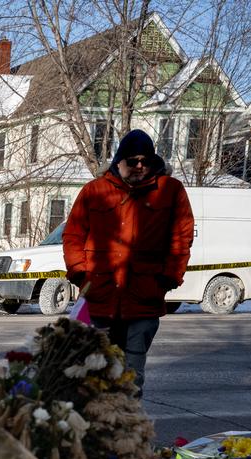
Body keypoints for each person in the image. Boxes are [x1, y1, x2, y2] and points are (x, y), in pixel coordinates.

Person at [63, 129, 194, 394]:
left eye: (145, 161)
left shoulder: (170, 190)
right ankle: (94, 431)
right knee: (92, 375)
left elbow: (182, 237)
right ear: (118, 161)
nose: (139, 166)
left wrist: (167, 278)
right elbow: (73, 234)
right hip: (99, 299)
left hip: (144, 300)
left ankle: (127, 431)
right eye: (132, 161)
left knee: (131, 379)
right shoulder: (94, 190)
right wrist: (80, 274)